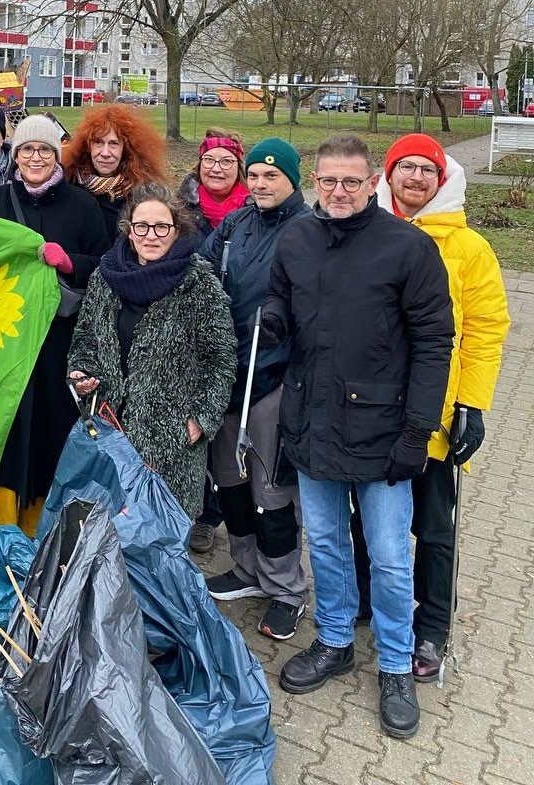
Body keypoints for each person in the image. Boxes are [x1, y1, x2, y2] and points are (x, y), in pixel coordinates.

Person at [263, 134, 454, 738]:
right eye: (328, 181)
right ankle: (337, 639)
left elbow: (433, 343)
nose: (339, 192)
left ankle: (396, 665)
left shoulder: (409, 247)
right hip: (313, 423)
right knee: (324, 543)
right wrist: (271, 318)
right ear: (314, 183)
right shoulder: (296, 237)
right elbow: (280, 297)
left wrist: (418, 432)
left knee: (393, 559)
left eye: (351, 181)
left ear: (373, 183)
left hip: (383, 431)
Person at [348, 134, 510, 680]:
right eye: (405, 167)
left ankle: (432, 626)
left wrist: (474, 403)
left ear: (441, 180)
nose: (415, 178)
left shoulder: (469, 249)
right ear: (388, 175)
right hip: (370, 410)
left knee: (435, 527)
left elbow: (486, 330)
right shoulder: (362, 232)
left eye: (426, 170)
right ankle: (367, 601)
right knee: (365, 519)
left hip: (435, 415)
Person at [198, 138, 311, 640]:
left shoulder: (308, 230)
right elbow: (199, 273)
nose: (262, 184)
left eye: (273, 177)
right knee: (231, 480)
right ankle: (248, 569)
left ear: (292, 180)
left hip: (276, 378)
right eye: (256, 176)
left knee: (272, 491)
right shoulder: (235, 224)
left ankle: (287, 587)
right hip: (227, 372)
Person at [67, 183, 236, 517]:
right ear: (129, 231)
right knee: (110, 535)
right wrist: (82, 376)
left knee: (162, 545)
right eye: (141, 226)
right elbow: (85, 340)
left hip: (171, 441)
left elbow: (221, 360)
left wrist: (200, 421)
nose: (151, 235)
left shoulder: (199, 283)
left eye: (162, 227)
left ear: (177, 231)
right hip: (110, 431)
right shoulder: (106, 277)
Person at [0, 115, 110, 532]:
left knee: (51, 427)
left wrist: (70, 262)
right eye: (27, 150)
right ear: (15, 156)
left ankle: (43, 524)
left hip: (58, 341)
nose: (36, 158)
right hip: (5, 341)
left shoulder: (82, 205)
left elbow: (105, 264)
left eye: (45, 151)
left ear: (57, 156)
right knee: (6, 428)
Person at [62, 104, 167, 240]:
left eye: (114, 144)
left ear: (126, 150)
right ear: (87, 147)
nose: (105, 153)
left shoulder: (143, 192)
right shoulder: (69, 184)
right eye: (98, 142)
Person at [177, 128, 249, 238]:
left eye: (226, 161)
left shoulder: (256, 210)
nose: (216, 168)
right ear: (200, 165)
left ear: (239, 167)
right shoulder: (179, 209)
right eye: (209, 160)